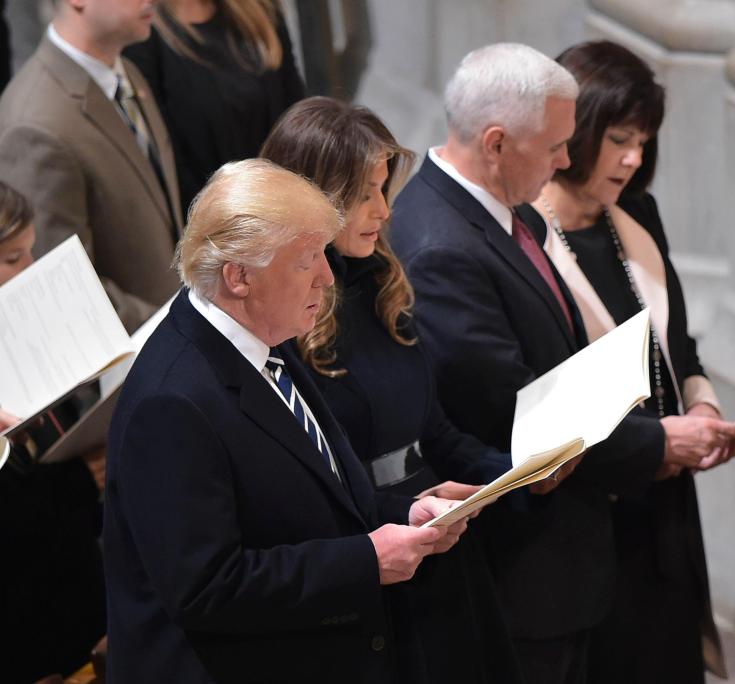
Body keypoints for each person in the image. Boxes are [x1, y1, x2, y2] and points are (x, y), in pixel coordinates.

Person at [389, 42, 735, 684]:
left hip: (571, 548)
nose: (565, 160)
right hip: (526, 561)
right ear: (496, 143)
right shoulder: (442, 244)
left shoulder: (497, 212)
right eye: (554, 145)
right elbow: (514, 409)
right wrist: (652, 437)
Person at [103, 158, 469, 683]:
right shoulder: (172, 403)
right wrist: (366, 561)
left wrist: (406, 515)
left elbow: (313, 503)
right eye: (306, 260)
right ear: (239, 277)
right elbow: (206, 588)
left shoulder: (263, 340)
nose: (327, 274)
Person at [520, 39, 735, 683]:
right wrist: (658, 438)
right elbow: (540, 403)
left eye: (645, 142)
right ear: (577, 131)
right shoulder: (521, 239)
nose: (633, 159)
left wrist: (703, 404)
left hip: (666, 509)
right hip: (590, 512)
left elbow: (677, 344)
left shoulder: (638, 214)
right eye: (620, 138)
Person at [260, 96, 522, 684]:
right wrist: (408, 511)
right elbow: (308, 490)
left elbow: (432, 430)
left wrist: (513, 471)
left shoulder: (382, 283)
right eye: (364, 194)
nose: (383, 210)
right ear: (312, 198)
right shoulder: (283, 321)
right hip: (370, 566)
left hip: (438, 549)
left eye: (384, 188)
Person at [0, 0, 182, 333]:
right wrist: (179, 326)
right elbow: (62, 289)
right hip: (127, 368)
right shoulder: (35, 123)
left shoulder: (127, 73)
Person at [0, 181, 106, 683]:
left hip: (78, 618)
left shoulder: (25, 334)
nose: (29, 272)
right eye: (12, 259)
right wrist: (81, 481)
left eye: (31, 253)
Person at [125, 0, 305, 210]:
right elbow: (171, 162)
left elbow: (297, 119)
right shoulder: (142, 38)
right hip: (218, 224)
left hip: (290, 206)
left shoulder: (261, 9)